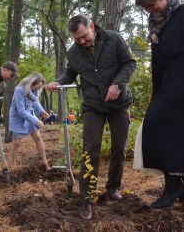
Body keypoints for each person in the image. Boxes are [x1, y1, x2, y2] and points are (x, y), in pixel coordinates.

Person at [46, 14, 137, 220]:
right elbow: (70, 73)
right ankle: (87, 199)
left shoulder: (114, 39)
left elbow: (130, 63)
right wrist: (58, 82)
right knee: (90, 151)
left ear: (92, 27)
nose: (82, 42)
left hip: (119, 104)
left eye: (84, 37)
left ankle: (113, 187)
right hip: (93, 106)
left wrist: (118, 84)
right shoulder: (74, 52)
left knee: (119, 149)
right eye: (77, 39)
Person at [135, 0, 184, 209]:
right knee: (157, 130)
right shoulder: (156, 23)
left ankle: (173, 187)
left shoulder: (181, 14)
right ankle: (175, 184)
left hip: (181, 81)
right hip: (165, 83)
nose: (151, 11)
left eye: (153, 5)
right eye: (147, 8)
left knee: (165, 128)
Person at [9, 73, 51, 171]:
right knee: (17, 143)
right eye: (37, 87)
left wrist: (42, 111)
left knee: (38, 137)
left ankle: (45, 162)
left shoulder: (34, 91)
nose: (37, 89)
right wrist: (36, 120)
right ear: (32, 83)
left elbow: (35, 102)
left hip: (30, 114)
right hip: (17, 117)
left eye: (39, 88)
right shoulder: (19, 90)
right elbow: (21, 111)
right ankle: (14, 165)